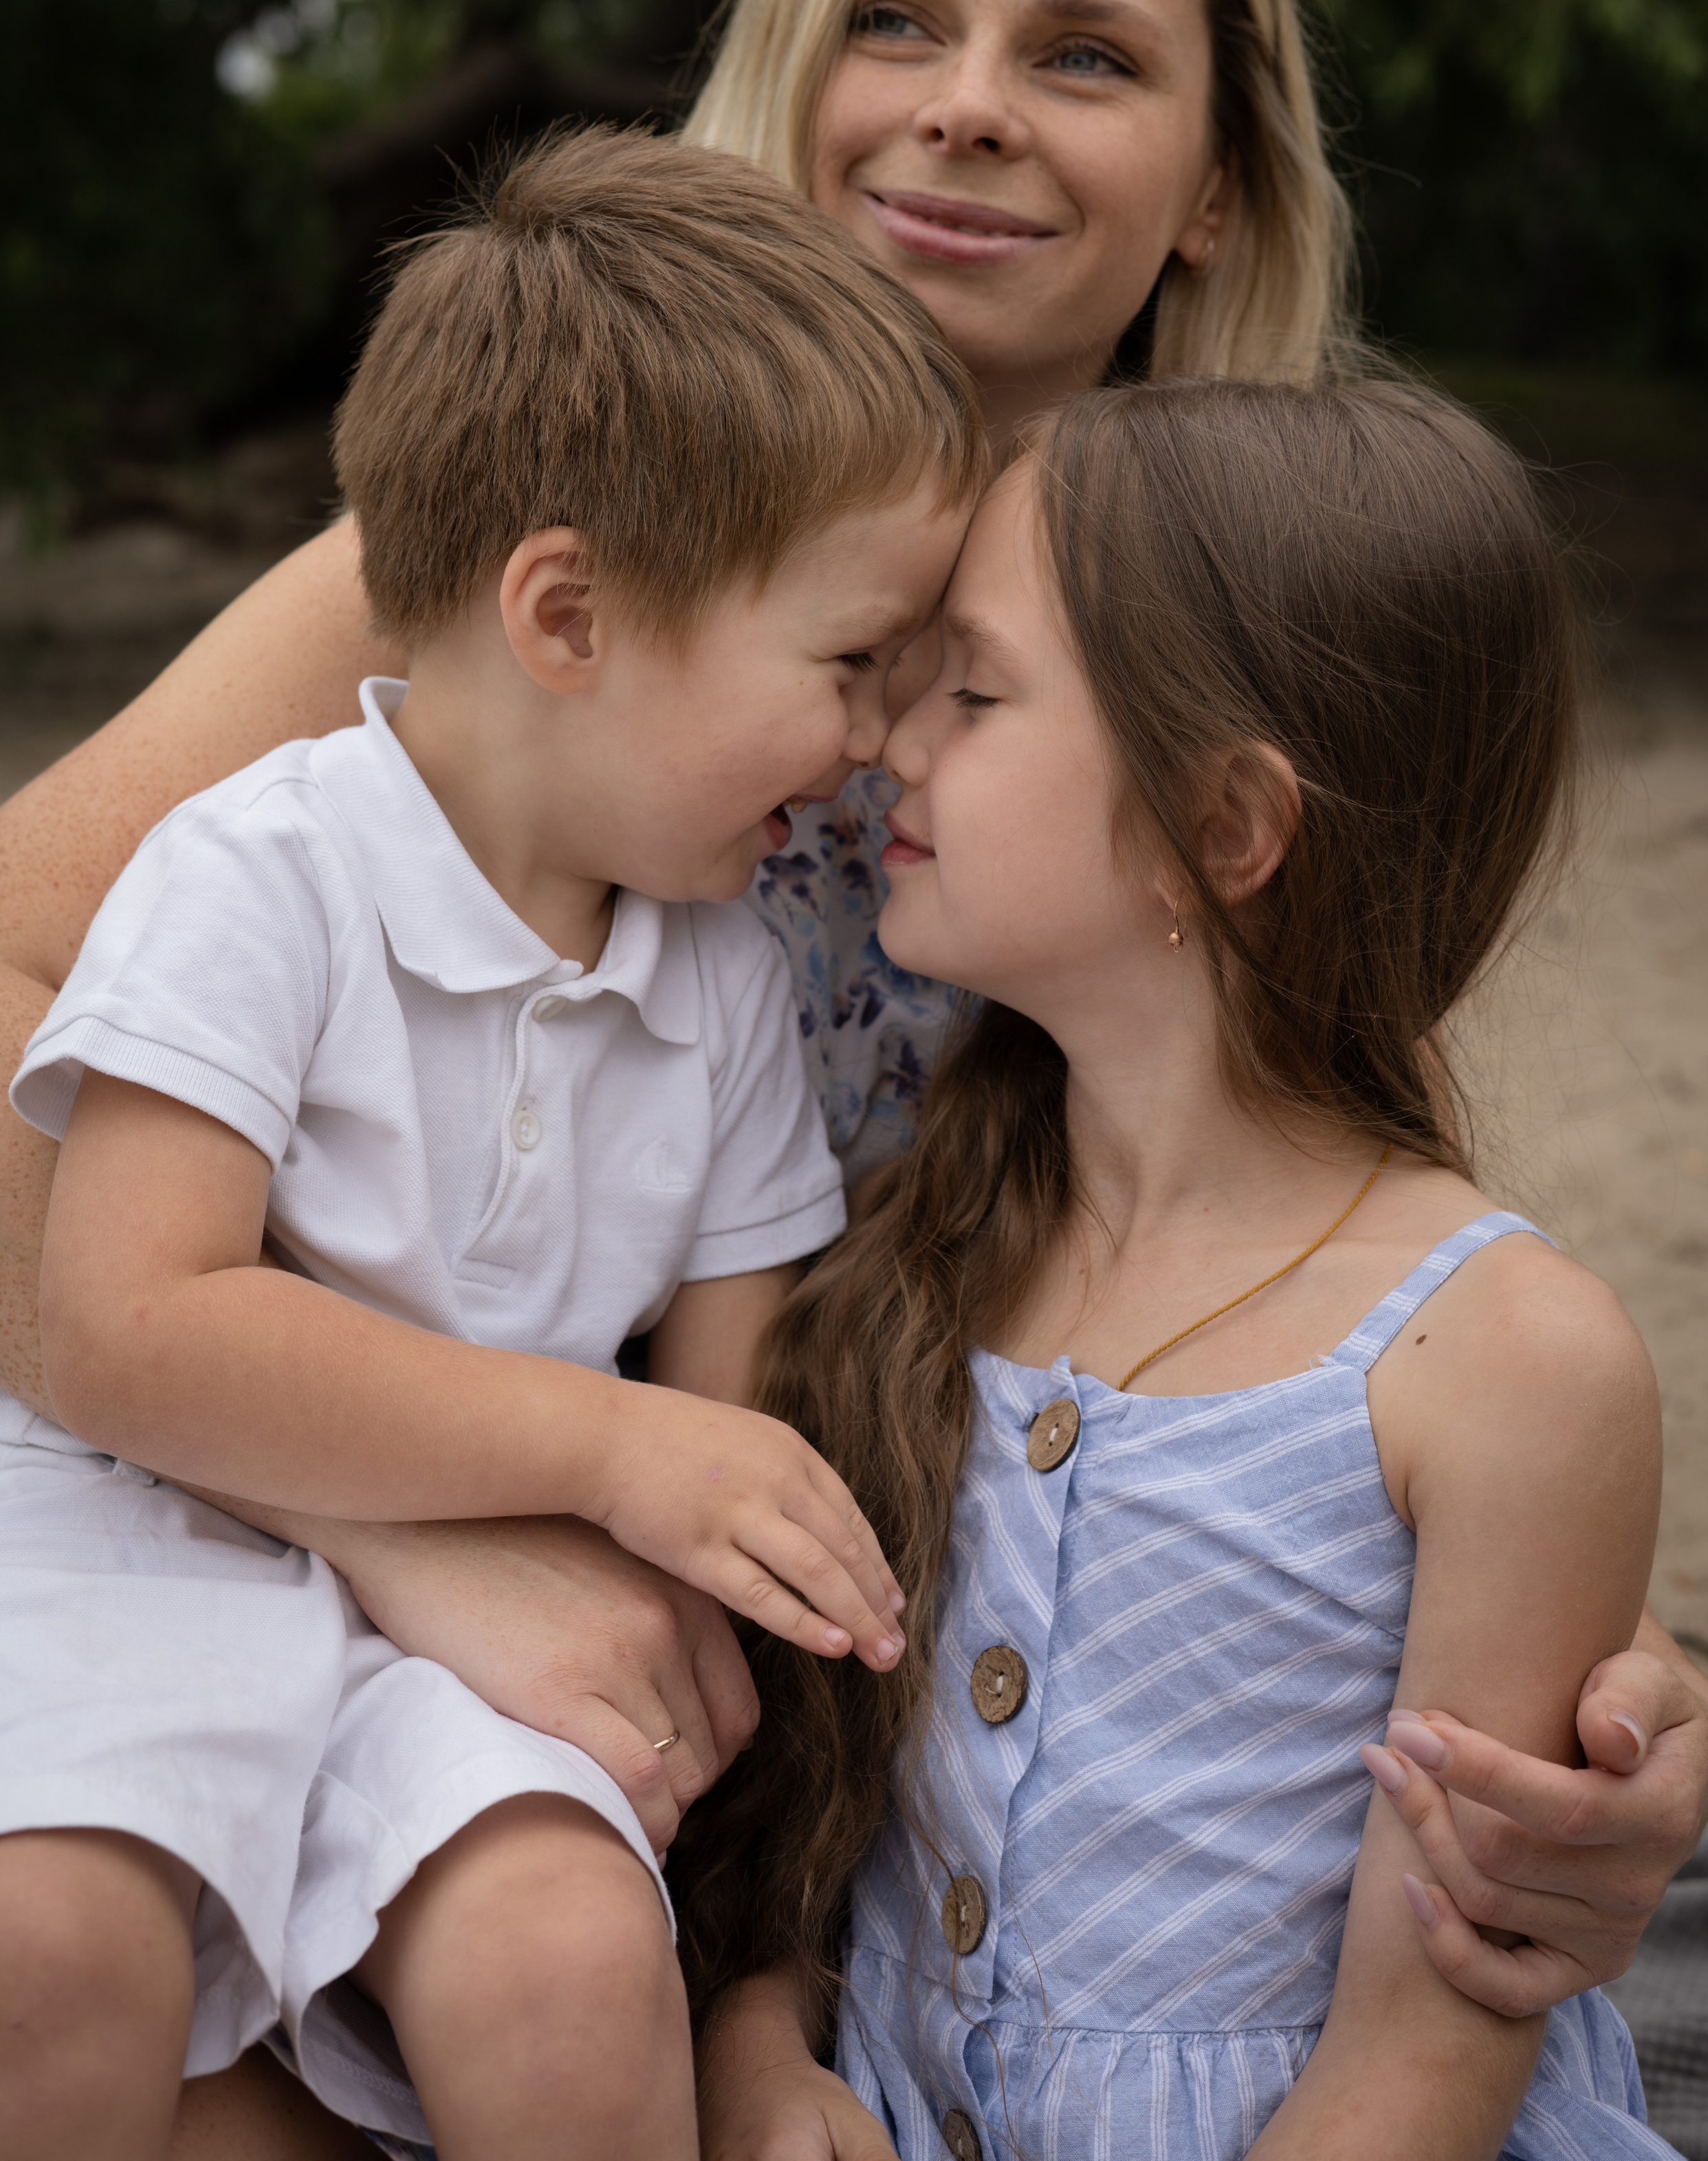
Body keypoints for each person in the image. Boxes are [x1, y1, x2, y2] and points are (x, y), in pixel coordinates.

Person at [0, 0, 1708, 2153]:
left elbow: (1284, 1306)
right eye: (892, 20)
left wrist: (1603, 1699)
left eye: (1088, 54)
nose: (968, 105)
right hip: (417, 1600)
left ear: (1222, 185)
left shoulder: (1242, 683)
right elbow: (52, 1096)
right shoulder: (507, 612)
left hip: (782, 1757)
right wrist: (412, 1539)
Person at [0, 126, 983, 2158]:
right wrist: (615, 1453)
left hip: (487, 1606)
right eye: (847, 663)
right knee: (50, 1944)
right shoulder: (259, 873)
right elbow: (122, 1328)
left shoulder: (715, 967)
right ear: (568, 614)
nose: (880, 739)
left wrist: (751, 1593)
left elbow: (739, 1413)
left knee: (560, 1957)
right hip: (137, 1534)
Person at [686, 377, 1680, 2161]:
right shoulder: (925, 1252)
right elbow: (805, 1820)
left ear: (1228, 830)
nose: (891, 745)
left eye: (973, 694)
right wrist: (763, 2054)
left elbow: (1423, 2066)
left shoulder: (1508, 1363)